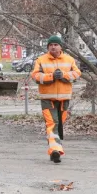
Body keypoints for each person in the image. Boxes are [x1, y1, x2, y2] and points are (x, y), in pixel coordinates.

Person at [30, 35, 81, 163]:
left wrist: (63, 75)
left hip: (64, 98)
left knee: (58, 124)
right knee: (52, 124)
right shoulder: (41, 60)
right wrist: (51, 76)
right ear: (48, 47)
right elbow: (35, 76)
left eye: (55, 44)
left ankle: (55, 146)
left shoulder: (69, 60)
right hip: (47, 98)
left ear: (60, 47)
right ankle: (55, 151)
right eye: (51, 45)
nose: (53, 47)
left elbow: (77, 74)